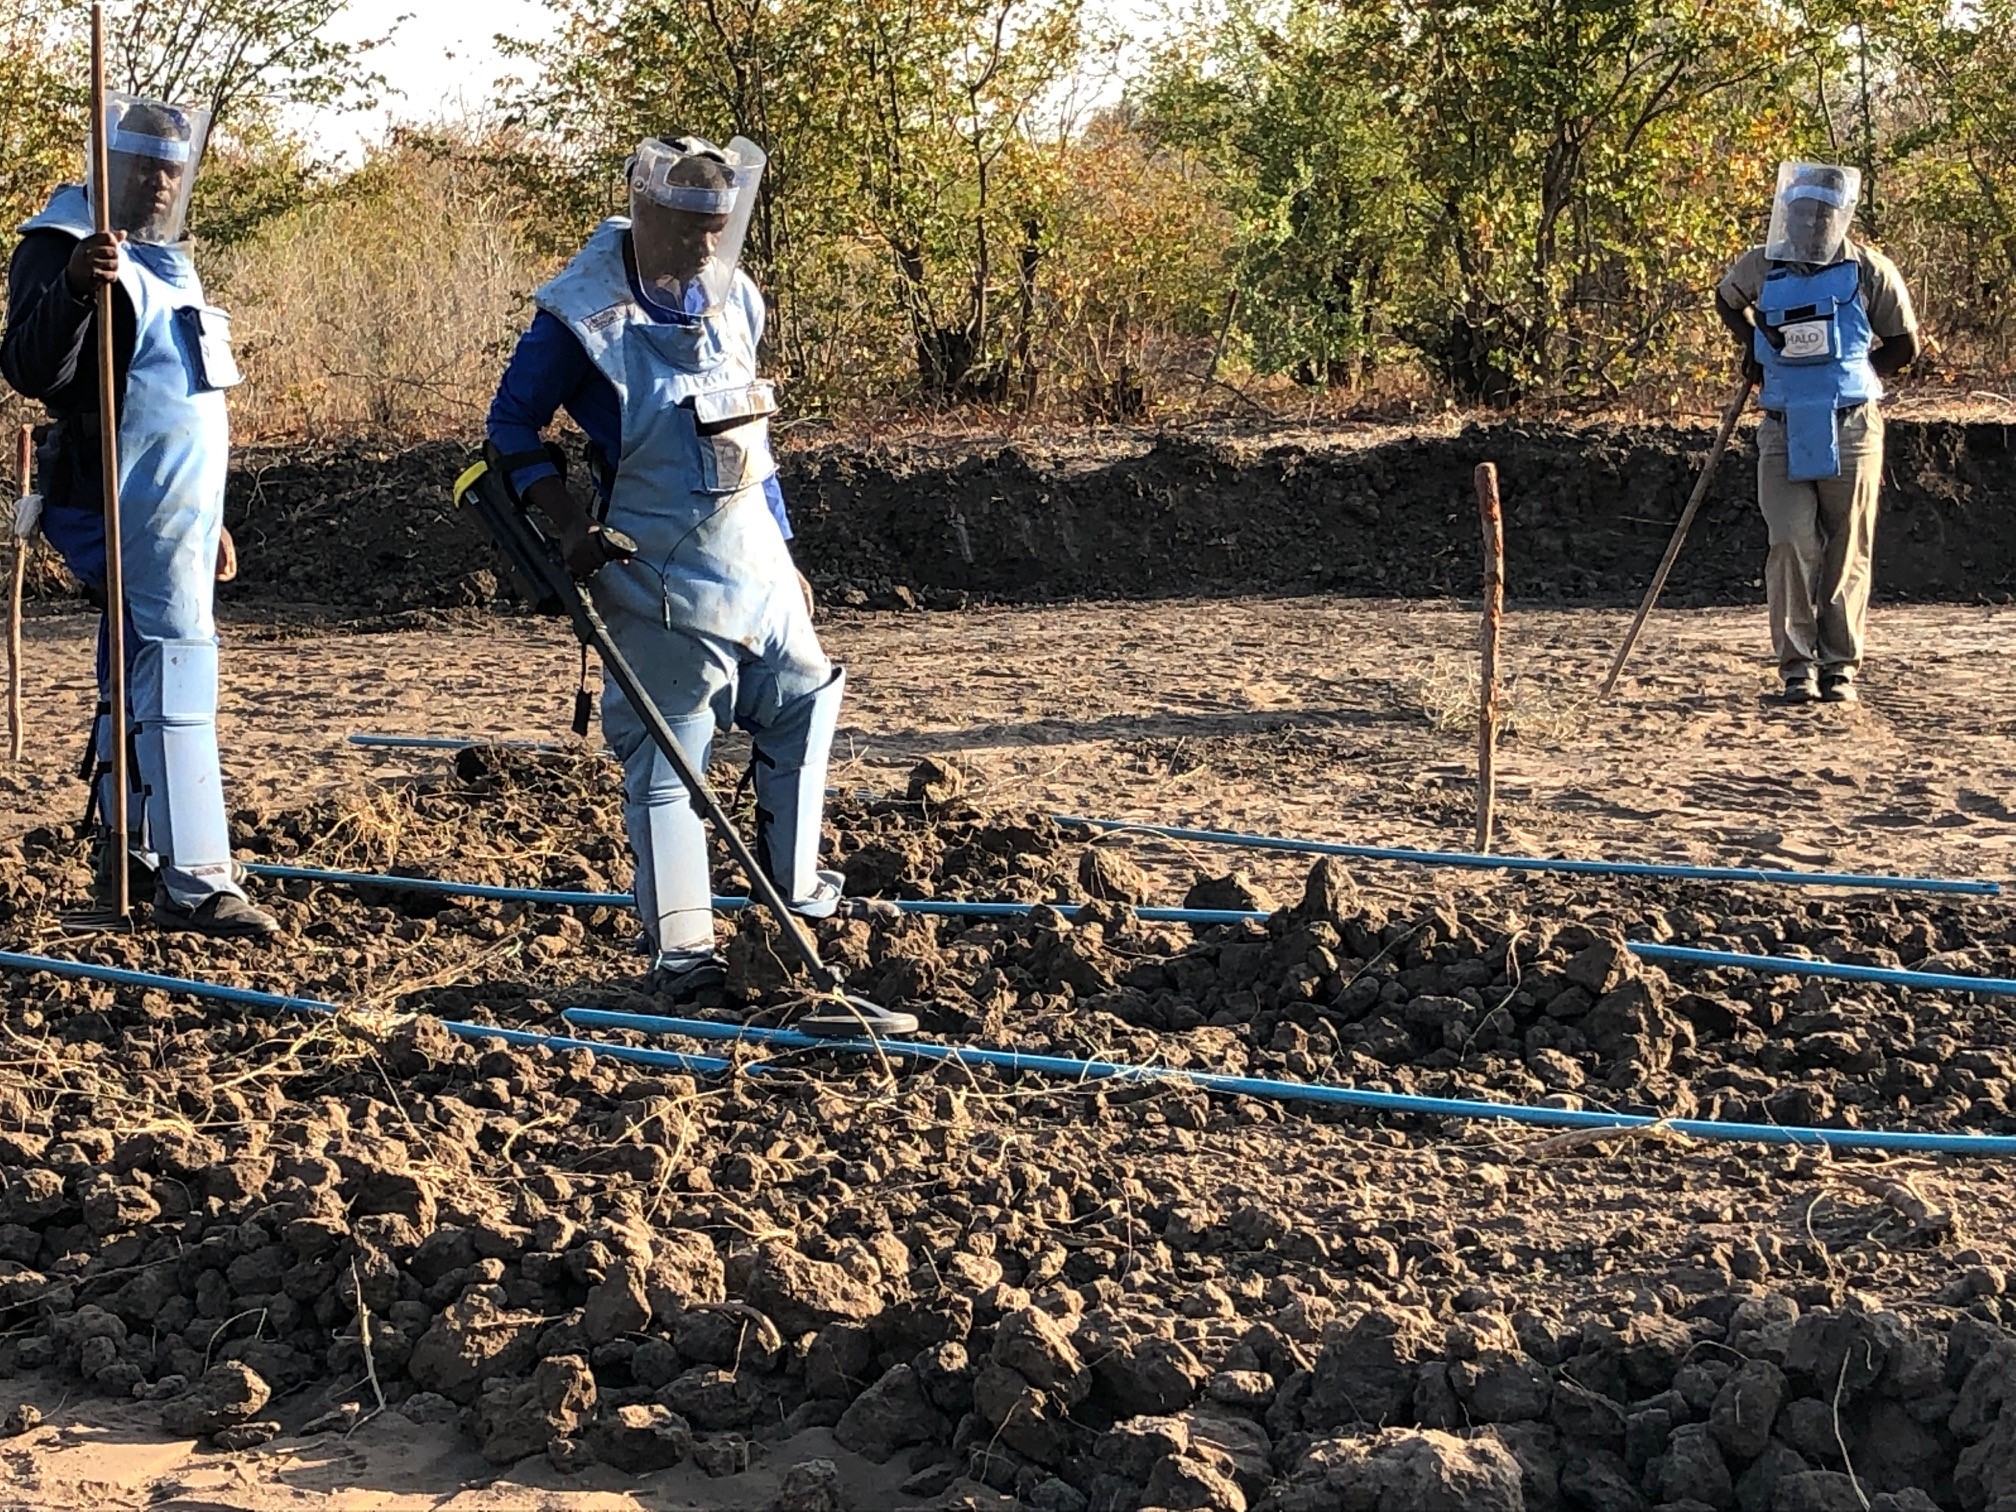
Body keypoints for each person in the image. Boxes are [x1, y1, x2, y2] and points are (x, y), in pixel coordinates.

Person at [486, 133, 844, 1001]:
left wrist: (785, 550)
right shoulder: (582, 321)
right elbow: (510, 430)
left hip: (752, 557)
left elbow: (756, 442)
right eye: (689, 230)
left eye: (719, 229)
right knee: (670, 753)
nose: (705, 247)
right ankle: (684, 949)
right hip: (655, 569)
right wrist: (567, 524)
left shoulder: (738, 302)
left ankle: (791, 894)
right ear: (648, 215)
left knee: (804, 698)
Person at [2, 94, 278, 936]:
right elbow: (30, 367)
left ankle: (130, 846)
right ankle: (196, 876)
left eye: (171, 166)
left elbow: (186, 402)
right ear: (109, 168)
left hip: (177, 507)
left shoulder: (171, 266)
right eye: (145, 166)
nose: (160, 181)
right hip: (109, 493)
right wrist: (79, 290)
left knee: (136, 661)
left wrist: (211, 518)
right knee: (178, 660)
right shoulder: (59, 248)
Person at [1715, 161, 1920, 705]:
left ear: (1837, 216)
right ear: (1788, 213)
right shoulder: (1761, 266)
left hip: (1852, 426)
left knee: (1847, 547)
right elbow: (1727, 300)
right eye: (1800, 213)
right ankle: (1796, 666)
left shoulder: (1870, 270)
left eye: (1820, 214)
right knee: (1789, 542)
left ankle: (1839, 666)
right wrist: (1755, 349)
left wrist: (1855, 370)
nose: (1809, 223)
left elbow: (1904, 343)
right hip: (1781, 427)